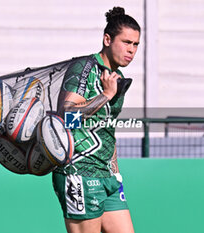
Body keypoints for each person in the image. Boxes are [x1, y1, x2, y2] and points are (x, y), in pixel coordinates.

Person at [53, 6, 141, 233]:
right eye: (126, 42)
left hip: (108, 177)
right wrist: (106, 95)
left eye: (136, 44)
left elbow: (107, 129)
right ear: (107, 39)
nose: (131, 50)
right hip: (79, 174)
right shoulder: (84, 68)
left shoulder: (117, 77)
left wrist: (116, 172)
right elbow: (67, 117)